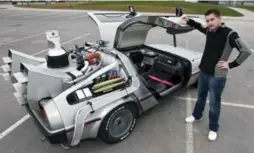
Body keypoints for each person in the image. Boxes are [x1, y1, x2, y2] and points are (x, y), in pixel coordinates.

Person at [181, 8, 252, 141]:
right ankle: (197, 115)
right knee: (201, 96)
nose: (210, 23)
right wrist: (189, 20)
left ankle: (213, 128)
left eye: (212, 19)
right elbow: (200, 27)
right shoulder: (209, 30)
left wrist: (231, 64)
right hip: (203, 71)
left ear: (220, 18)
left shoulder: (230, 34)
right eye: (208, 20)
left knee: (214, 103)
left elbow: (246, 50)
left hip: (217, 75)